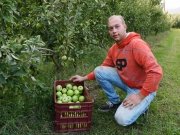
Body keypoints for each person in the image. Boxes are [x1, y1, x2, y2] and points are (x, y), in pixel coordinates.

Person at [70, 15, 163, 126]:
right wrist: (83, 78)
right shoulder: (113, 49)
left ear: (124, 26)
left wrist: (140, 96)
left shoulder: (137, 45)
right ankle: (115, 101)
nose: (114, 31)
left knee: (121, 119)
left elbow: (156, 71)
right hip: (127, 82)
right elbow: (102, 68)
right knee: (99, 71)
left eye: (117, 26)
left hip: (142, 88)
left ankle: (143, 105)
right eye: (111, 28)